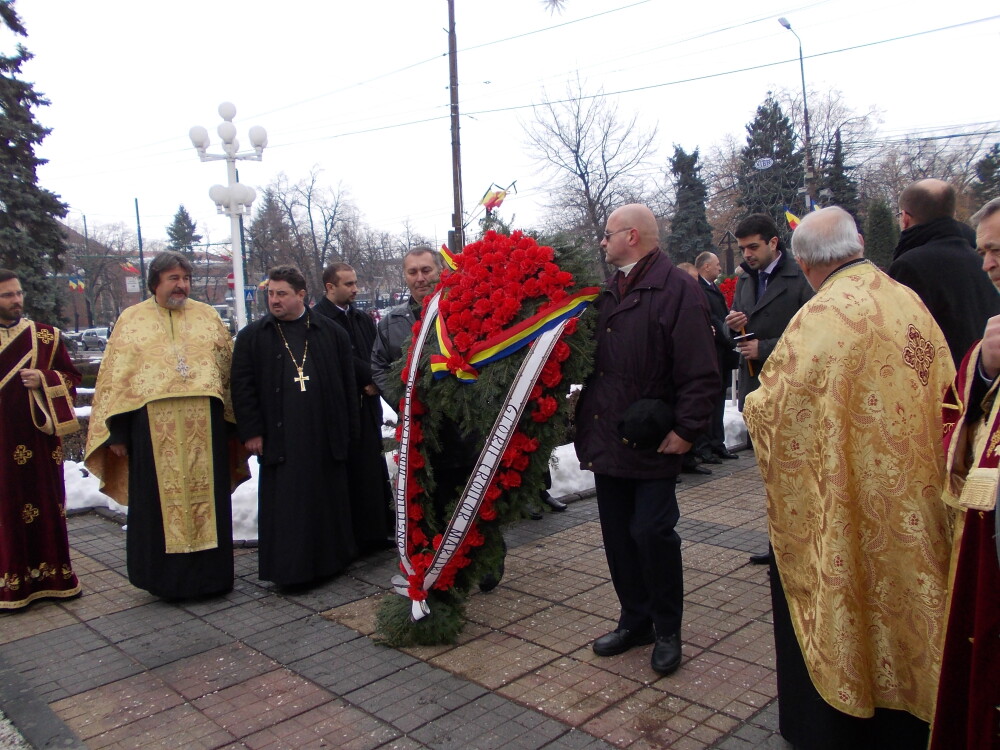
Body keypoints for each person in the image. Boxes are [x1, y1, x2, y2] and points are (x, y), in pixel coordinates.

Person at [743, 207, 954, 750]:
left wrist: (753, 406)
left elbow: (778, 408)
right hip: (919, 493)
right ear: (857, 243)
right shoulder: (905, 298)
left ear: (808, 263)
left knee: (849, 591)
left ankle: (848, 715)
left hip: (851, 500)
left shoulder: (822, 315)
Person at [575, 204, 718, 676]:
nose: (602, 241)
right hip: (609, 437)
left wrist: (686, 430)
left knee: (652, 535)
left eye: (608, 233)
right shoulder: (610, 292)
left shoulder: (677, 290)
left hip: (654, 439)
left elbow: (701, 370)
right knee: (618, 538)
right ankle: (634, 620)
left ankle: (667, 628)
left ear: (631, 236)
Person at [86, 251, 248, 599]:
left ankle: (211, 578)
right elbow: (117, 381)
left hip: (207, 429)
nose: (182, 285)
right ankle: (163, 581)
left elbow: (227, 372)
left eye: (186, 279)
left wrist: (235, 426)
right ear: (155, 282)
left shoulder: (207, 317)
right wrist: (118, 433)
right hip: (150, 432)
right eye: (174, 278)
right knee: (157, 507)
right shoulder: (132, 320)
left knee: (210, 504)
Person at [231, 265, 359, 589]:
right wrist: (252, 431)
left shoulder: (331, 333)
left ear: (302, 295)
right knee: (288, 506)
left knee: (325, 499)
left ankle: (329, 564)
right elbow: (242, 388)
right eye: (270, 293)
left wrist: (350, 432)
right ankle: (290, 571)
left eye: (282, 294)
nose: (274, 300)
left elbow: (347, 387)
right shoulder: (252, 337)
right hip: (280, 438)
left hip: (323, 434)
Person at [930, 196, 1000, 750]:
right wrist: (985, 369)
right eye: (982, 251)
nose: (987, 264)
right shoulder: (992, 333)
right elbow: (958, 411)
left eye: (997, 249)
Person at [724, 213, 813, 565]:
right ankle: (780, 544)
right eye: (743, 248)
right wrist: (733, 325)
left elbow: (812, 331)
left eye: (753, 247)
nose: (746, 254)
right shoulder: (746, 278)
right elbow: (739, 320)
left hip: (791, 386)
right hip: (755, 385)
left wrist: (767, 347)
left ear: (774, 243)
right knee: (770, 471)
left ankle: (806, 544)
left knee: (799, 470)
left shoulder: (800, 276)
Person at [0, 269, 82, 610]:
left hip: (38, 446)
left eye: (18, 293)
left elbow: (72, 379)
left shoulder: (45, 337)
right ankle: (10, 583)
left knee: (44, 506)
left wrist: (46, 379)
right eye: (7, 295)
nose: (16, 300)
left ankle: (52, 577)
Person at [314, 262, 393, 551]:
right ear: (330, 287)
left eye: (355, 282)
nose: (355, 289)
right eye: (348, 284)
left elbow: (376, 354)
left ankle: (374, 532)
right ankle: (350, 537)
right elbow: (335, 360)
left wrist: (377, 381)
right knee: (346, 472)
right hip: (339, 407)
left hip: (367, 405)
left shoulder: (361, 318)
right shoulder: (318, 320)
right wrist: (369, 378)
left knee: (370, 470)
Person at [889, 178, 1000, 367]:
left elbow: (899, 343)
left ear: (905, 218)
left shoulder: (909, 266)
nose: (987, 264)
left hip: (946, 387)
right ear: (953, 214)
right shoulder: (976, 256)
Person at [371, 246, 442, 400]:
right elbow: (378, 367)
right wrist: (402, 403)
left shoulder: (458, 313)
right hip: (411, 418)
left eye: (426, 270)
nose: (420, 278)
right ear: (405, 276)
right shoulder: (390, 323)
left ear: (439, 271)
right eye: (412, 272)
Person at [694, 251, 739, 462]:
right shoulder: (699, 289)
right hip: (712, 351)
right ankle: (705, 447)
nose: (720, 268)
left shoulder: (712, 288)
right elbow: (711, 319)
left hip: (722, 352)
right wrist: (728, 338)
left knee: (719, 399)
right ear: (706, 267)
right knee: (709, 401)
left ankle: (717, 443)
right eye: (717, 264)